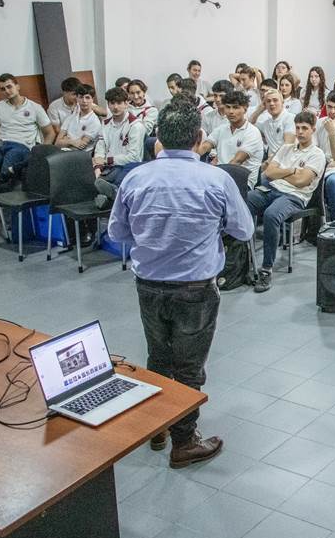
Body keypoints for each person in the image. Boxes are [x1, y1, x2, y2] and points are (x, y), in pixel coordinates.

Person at [108, 98, 253, 469]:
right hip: (195, 288)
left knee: (158, 355)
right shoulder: (215, 179)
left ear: (158, 138)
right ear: (199, 138)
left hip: (149, 284)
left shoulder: (135, 178)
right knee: (189, 367)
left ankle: (158, 424)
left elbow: (118, 232)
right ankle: (184, 441)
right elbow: (244, 229)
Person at [246, 111, 326, 293]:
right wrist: (292, 170)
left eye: (304, 128)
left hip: (295, 197)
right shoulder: (286, 148)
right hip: (272, 189)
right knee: (247, 200)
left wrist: (282, 172)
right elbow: (268, 173)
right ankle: (245, 258)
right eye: (297, 128)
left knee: (271, 214)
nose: (300, 132)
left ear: (313, 129)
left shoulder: (317, 154)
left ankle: (266, 268)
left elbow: (301, 182)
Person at [0, 74, 55, 181]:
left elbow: (50, 133)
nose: (6, 91)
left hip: (22, 146)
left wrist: (40, 152)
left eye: (9, 87)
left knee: (10, 160)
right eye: (3, 89)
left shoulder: (35, 107)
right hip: (2, 144)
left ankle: (3, 189)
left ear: (17, 86)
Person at [93, 87, 145, 208]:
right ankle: (114, 195)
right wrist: (97, 167)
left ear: (126, 103)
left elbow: (134, 157)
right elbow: (100, 149)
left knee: (117, 178)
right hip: (109, 169)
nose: (115, 107)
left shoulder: (136, 125)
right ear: (108, 104)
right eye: (112, 103)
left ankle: (112, 195)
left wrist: (106, 160)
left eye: (119, 103)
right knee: (96, 180)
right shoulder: (105, 124)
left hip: (128, 168)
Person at [198, 91, 264, 183]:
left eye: (235, 107)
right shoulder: (221, 129)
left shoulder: (252, 132)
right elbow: (204, 147)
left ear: (245, 109)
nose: (231, 111)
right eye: (228, 107)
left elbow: (236, 162)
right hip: (221, 177)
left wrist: (213, 177)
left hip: (242, 182)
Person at [56, 84, 103, 153]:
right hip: (63, 153)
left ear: (92, 99)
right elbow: (57, 143)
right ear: (77, 99)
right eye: (81, 97)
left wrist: (65, 139)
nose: (84, 101)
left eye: (87, 98)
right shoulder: (71, 117)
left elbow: (80, 146)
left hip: (80, 156)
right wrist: (72, 142)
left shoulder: (94, 122)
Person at [251, 88, 296, 153]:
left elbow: (287, 146)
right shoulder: (266, 123)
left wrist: (269, 161)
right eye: (268, 101)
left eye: (275, 100)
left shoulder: (290, 118)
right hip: (270, 159)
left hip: (285, 160)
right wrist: (260, 109)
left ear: (282, 102)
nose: (271, 103)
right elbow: (250, 123)